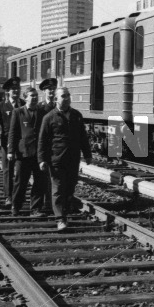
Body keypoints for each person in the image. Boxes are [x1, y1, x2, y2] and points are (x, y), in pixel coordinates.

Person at [38, 87, 91, 231]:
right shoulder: (49, 117)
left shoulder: (76, 115)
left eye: (68, 95)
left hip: (73, 159)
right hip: (56, 159)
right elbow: (42, 140)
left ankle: (65, 213)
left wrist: (87, 154)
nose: (67, 98)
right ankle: (60, 219)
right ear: (56, 99)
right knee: (58, 189)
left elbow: (83, 137)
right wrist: (42, 159)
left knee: (70, 187)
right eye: (63, 96)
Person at [8, 87, 49, 216]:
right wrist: (11, 151)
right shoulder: (18, 112)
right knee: (20, 181)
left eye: (36, 95)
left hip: (39, 153)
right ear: (25, 98)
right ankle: (16, 206)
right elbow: (13, 133)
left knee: (40, 182)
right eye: (32, 96)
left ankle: (36, 208)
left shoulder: (43, 112)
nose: (35, 98)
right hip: (23, 153)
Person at [0, 77, 23, 207]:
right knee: (8, 170)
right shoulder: (1, 106)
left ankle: (18, 196)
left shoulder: (24, 104)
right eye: (13, 89)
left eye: (18, 88)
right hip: (6, 143)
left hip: (21, 143)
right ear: (8, 91)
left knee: (21, 171)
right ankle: (8, 196)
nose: (16, 91)